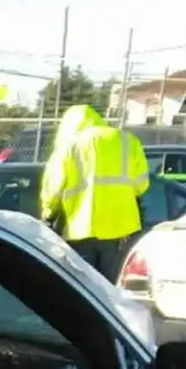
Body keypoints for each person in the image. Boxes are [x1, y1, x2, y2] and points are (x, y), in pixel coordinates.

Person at [39, 105, 150, 280]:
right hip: (121, 230)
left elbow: (53, 188)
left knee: (83, 289)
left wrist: (48, 215)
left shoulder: (69, 146)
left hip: (80, 230)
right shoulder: (128, 141)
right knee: (112, 289)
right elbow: (141, 185)